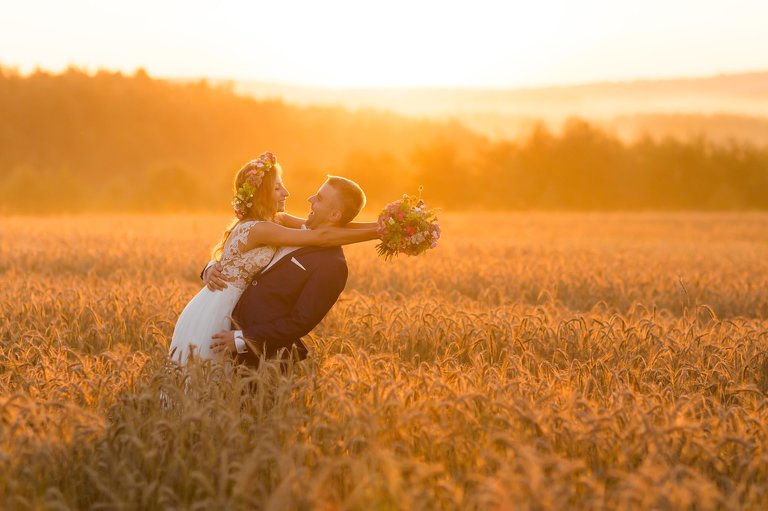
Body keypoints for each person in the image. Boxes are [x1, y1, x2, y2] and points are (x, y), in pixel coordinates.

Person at [168, 153, 378, 365]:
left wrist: (385, 226)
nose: (287, 193)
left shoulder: (280, 223)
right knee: (201, 381)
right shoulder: (262, 228)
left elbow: (329, 229)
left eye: (320, 198)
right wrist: (381, 231)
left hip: (236, 323)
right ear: (262, 195)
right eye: (277, 188)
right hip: (218, 312)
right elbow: (323, 234)